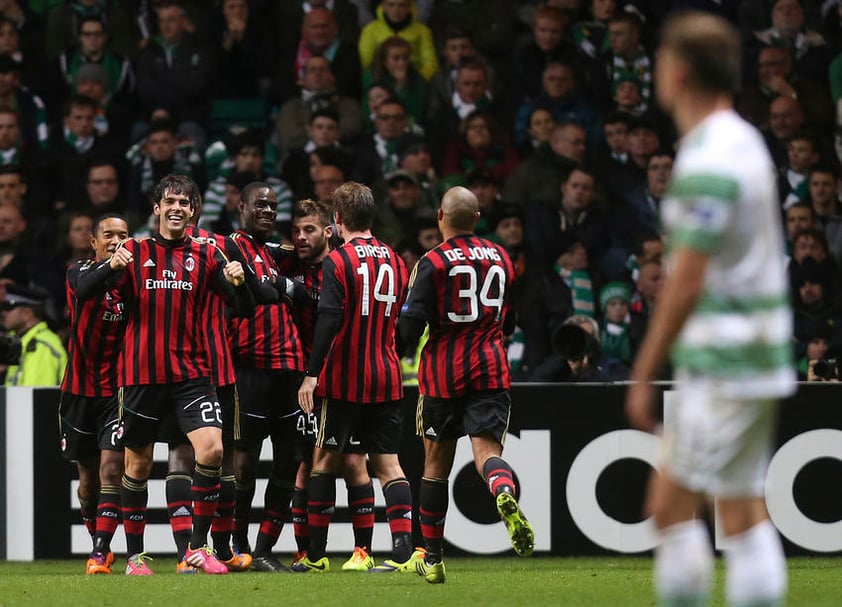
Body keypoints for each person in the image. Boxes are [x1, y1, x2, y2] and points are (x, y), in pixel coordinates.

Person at [625, 13, 793, 607]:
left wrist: (644, 370)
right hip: (756, 350)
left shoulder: (709, 157)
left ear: (678, 71)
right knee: (743, 511)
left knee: (668, 509)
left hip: (724, 358)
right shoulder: (741, 140)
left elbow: (687, 278)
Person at [76, 174, 252, 575]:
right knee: (136, 466)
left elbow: (239, 307)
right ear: (156, 208)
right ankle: (135, 557)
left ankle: (195, 547)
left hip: (192, 373)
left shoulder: (208, 254)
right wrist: (109, 266)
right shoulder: (134, 250)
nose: (177, 208)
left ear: (193, 212)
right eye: (170, 201)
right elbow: (84, 291)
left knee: (212, 451)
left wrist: (239, 284)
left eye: (185, 203)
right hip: (141, 376)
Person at [399, 186, 534, 584]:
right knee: (486, 452)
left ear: (440, 216)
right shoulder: (502, 257)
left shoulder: (433, 261)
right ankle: (502, 490)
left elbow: (411, 325)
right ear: (477, 218)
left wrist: (395, 349)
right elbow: (508, 321)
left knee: (435, 466)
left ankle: (434, 558)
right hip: (491, 368)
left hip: (443, 373)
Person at [294, 181, 419, 574]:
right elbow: (408, 319)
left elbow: (329, 317)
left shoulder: (338, 261)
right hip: (386, 375)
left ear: (338, 219)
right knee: (389, 464)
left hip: (345, 377)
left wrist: (312, 374)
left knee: (325, 461)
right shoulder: (396, 260)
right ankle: (403, 551)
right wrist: (391, 350)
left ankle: (315, 555)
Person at [285, 199, 378, 571]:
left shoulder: (344, 265)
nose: (301, 237)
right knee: (306, 464)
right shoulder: (288, 265)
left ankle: (362, 551)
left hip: (341, 378)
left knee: (353, 461)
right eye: (296, 231)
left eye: (309, 230)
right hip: (301, 381)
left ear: (329, 230)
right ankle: (305, 551)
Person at [228, 182, 311, 572]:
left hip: (290, 368)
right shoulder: (230, 247)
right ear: (240, 206)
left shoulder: (279, 254)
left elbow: (311, 254)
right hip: (249, 366)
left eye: (273, 206)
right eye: (259, 204)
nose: (267, 210)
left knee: (289, 461)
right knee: (242, 461)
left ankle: (263, 547)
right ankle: (237, 542)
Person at [59, 212, 128, 574]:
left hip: (116, 393)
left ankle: (99, 553)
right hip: (78, 391)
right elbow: (85, 289)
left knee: (111, 469)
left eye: (123, 235)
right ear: (94, 242)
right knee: (87, 480)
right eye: (109, 235)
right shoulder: (78, 272)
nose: (116, 241)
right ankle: (95, 536)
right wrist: (111, 266)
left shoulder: (131, 281)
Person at [1, 284, 66, 386]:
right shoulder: (19, 342)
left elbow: (34, 398)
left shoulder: (41, 346)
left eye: (8, 307)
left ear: (27, 313)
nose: (3, 313)